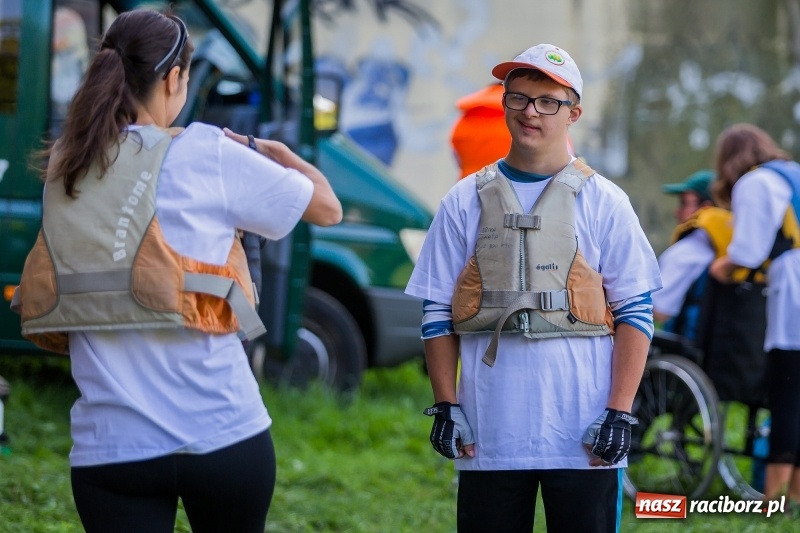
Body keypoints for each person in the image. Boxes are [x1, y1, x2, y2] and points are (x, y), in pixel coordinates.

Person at [10, 9, 341, 533]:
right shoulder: (206, 152)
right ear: (174, 78)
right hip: (223, 433)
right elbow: (327, 207)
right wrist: (270, 151)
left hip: (110, 449)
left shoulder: (65, 167)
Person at [405, 43, 661, 532]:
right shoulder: (463, 201)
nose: (530, 112)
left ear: (574, 113)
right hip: (491, 435)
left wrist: (619, 413)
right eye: (518, 97)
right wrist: (445, 405)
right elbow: (436, 312)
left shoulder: (605, 201)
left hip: (584, 435)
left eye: (548, 101)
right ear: (504, 102)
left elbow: (635, 312)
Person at [708, 123, 800, 506]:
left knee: (787, 390)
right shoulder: (792, 172)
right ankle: (794, 496)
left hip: (792, 291)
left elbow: (747, 251)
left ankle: (774, 496)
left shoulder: (755, 183)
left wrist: (721, 269)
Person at [652, 170, 717, 336]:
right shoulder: (721, 247)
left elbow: (658, 311)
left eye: (684, 203)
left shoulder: (688, 251)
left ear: (706, 207)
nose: (677, 211)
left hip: (680, 349)